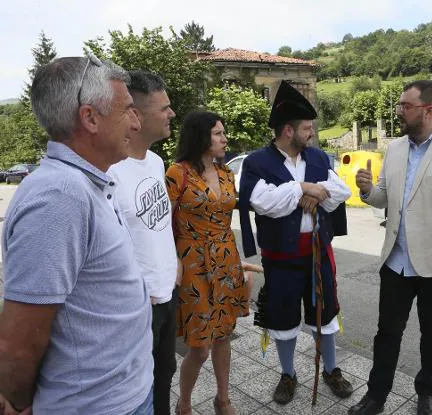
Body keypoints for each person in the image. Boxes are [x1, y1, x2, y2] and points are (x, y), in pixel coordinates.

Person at [0, 56, 152, 414]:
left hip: (123, 395)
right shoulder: (59, 197)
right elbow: (19, 342)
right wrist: (19, 405)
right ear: (90, 118)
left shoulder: (85, 182)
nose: (136, 120)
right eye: (128, 109)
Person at [350, 80, 432, 415]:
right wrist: (367, 191)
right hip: (396, 260)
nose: (399, 111)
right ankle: (376, 396)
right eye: (399, 105)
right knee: (387, 333)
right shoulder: (395, 148)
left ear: (429, 110)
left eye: (405, 106)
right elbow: (386, 197)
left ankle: (427, 394)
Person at [238, 81, 353, 405]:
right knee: (283, 318)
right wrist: (302, 188)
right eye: (307, 127)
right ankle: (288, 374)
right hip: (282, 258)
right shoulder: (257, 163)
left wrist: (314, 193)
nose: (312, 132)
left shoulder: (317, 156)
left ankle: (331, 370)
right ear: (288, 130)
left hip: (318, 253)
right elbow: (263, 201)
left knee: (325, 314)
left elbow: (339, 191)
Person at [166, 111, 260, 415]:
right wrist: (171, 262)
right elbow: (162, 224)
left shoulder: (226, 174)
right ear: (201, 136)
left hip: (226, 259)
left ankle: (223, 399)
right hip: (192, 264)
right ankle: (185, 403)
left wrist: (238, 263)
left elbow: (227, 218)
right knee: (200, 346)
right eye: (218, 133)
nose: (224, 138)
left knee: (223, 335)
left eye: (223, 133)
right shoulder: (177, 173)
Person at [107, 70, 177, 415]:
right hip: (139, 304)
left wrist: (173, 272)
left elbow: (158, 226)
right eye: (164, 108)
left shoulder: (156, 162)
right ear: (135, 113)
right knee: (138, 387)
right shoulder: (110, 173)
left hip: (167, 292)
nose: (172, 114)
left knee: (164, 375)